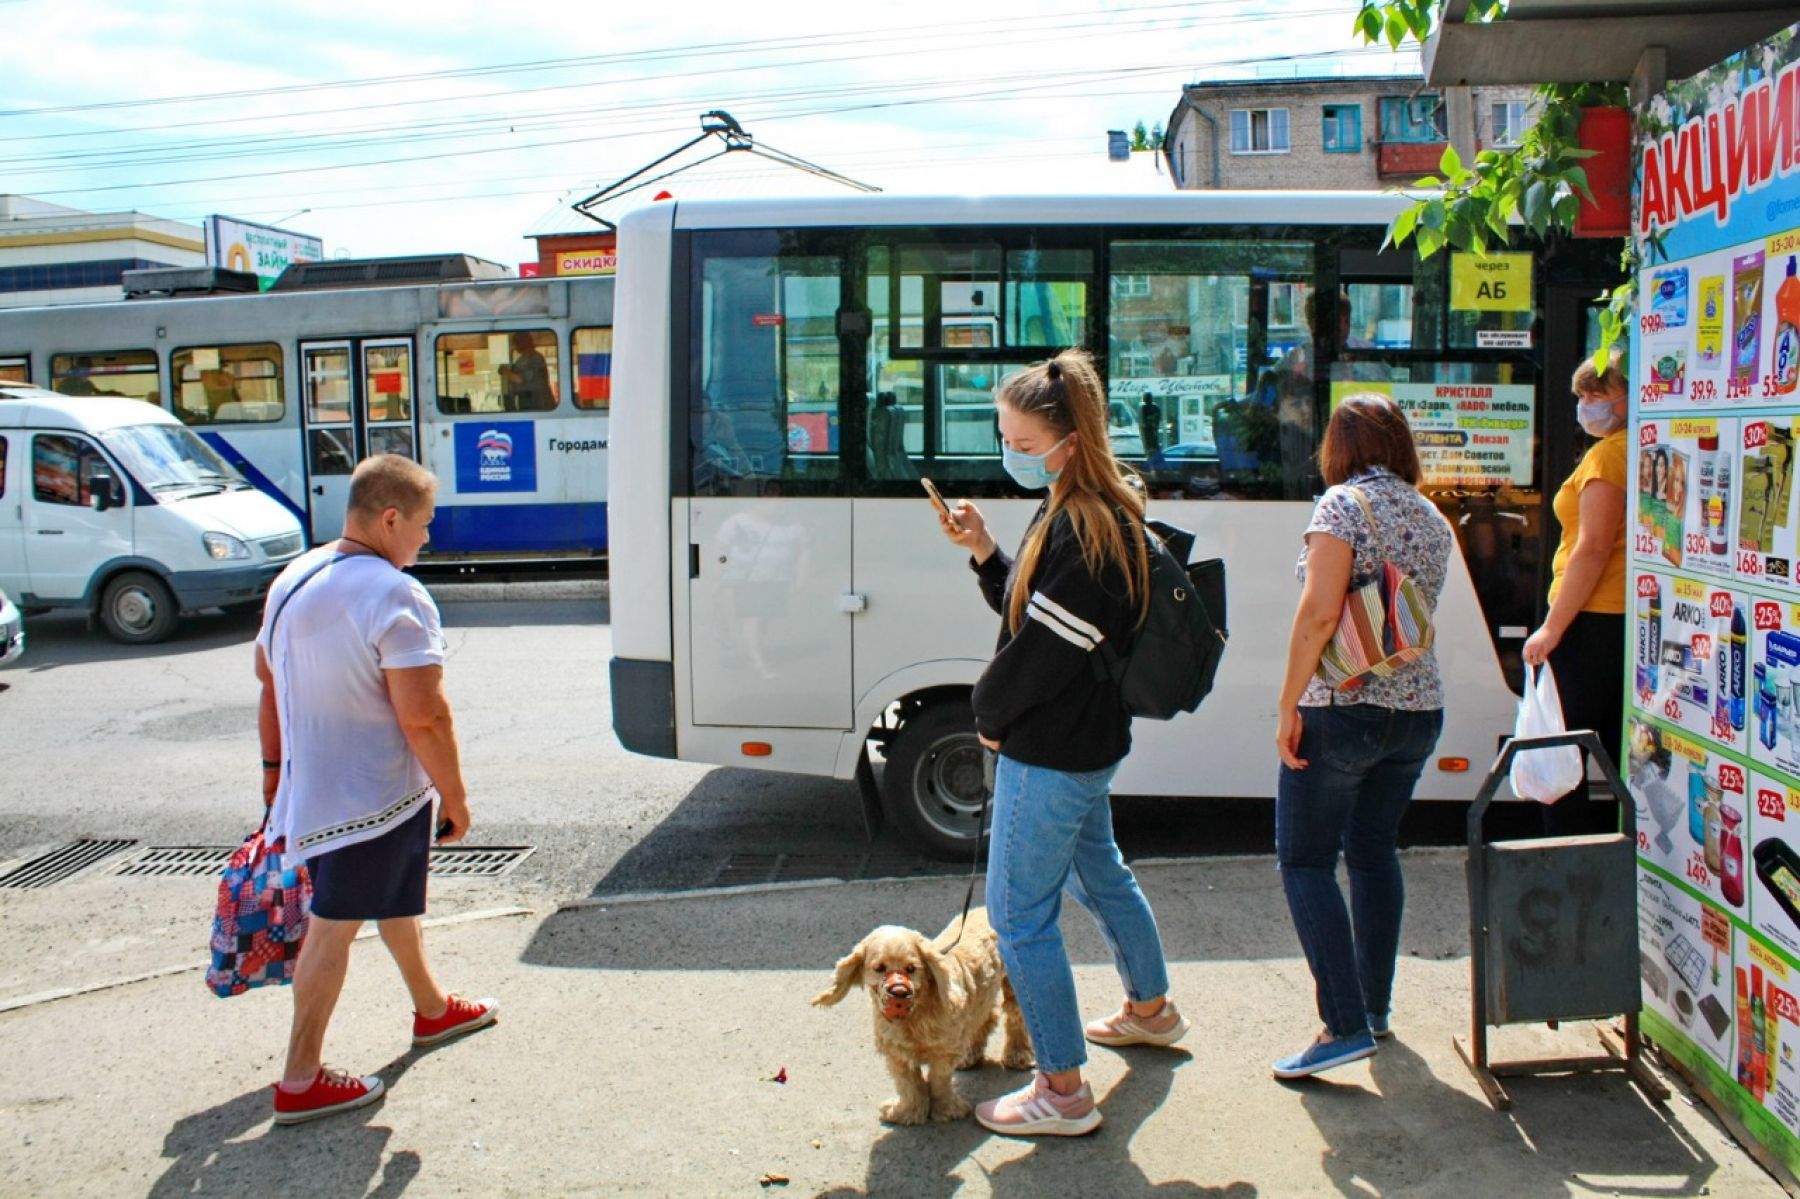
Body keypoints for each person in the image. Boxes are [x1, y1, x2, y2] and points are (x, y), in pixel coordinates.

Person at [934, 349, 1187, 1138]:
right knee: (1101, 874)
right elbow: (1036, 615)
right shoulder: (1087, 510)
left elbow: (1039, 653)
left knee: (1018, 917)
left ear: (1067, 440)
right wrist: (984, 549)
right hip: (1083, 744)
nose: (1008, 454)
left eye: (1019, 441)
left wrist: (986, 713)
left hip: (1052, 751)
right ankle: (1151, 1008)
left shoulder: (1086, 526)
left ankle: (1062, 1088)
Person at [257, 454, 497, 1125]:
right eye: (422, 524)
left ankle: (432, 1007)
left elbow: (268, 680)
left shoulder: (294, 575)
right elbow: (424, 715)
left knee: (393, 898)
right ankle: (300, 1077)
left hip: (318, 790)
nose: (427, 538)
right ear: (390, 517)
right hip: (371, 794)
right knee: (331, 930)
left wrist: (275, 778)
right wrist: (455, 796)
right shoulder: (395, 592)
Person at [1271, 393, 1452, 1079]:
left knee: (1305, 861)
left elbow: (1320, 614)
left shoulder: (1340, 506)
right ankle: (1372, 1010)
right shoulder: (1431, 514)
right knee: (1375, 853)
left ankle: (1342, 1025)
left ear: (1337, 448)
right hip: (1417, 708)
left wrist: (1288, 703)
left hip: (1342, 706)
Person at [1523, 353, 1630, 836]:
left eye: (1598, 394)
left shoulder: (1610, 456)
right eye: (1582, 395)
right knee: (1617, 756)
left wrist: (1552, 627)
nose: (1586, 406)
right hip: (1618, 619)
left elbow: (1591, 550)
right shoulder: (1641, 447)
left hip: (1590, 619)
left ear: (1629, 397)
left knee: (1562, 764)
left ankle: (1570, 877)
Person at [499, 332, 551, 411]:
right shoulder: (522, 359)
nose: (515, 347)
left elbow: (520, 379)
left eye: (516, 343)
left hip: (537, 403)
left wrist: (506, 371)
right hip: (526, 402)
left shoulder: (534, 358)